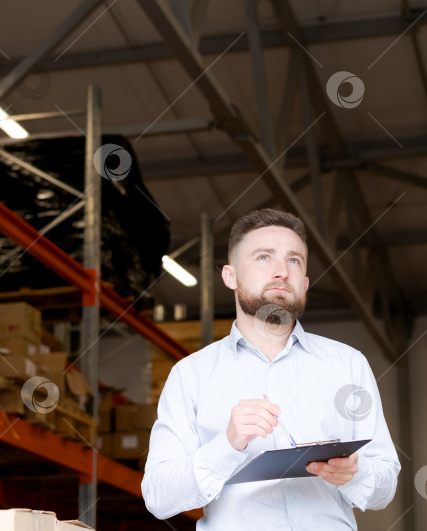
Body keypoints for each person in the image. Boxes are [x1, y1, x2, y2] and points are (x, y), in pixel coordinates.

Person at [142, 208, 401, 529]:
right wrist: (227, 444)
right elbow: (159, 497)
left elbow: (385, 489)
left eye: (294, 260)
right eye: (264, 257)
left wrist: (355, 473)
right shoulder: (191, 375)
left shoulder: (347, 364)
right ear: (230, 276)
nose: (282, 272)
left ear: (305, 282)